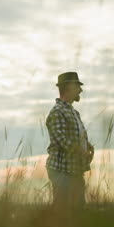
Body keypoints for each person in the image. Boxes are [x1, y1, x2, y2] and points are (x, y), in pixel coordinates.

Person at [45, 72, 94, 211]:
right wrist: (81, 151)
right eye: (78, 86)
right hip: (62, 171)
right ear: (69, 87)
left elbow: (76, 136)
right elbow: (61, 139)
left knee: (77, 211)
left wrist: (88, 147)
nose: (81, 90)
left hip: (74, 170)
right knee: (63, 210)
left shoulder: (73, 112)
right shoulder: (57, 111)